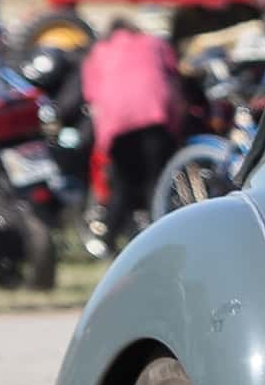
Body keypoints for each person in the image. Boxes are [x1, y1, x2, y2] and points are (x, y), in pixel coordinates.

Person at [81, 16, 188, 248]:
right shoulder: (154, 44)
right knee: (156, 181)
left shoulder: (100, 51)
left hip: (117, 124)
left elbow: (91, 94)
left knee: (121, 184)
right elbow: (172, 78)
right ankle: (162, 236)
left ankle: (107, 241)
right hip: (155, 118)